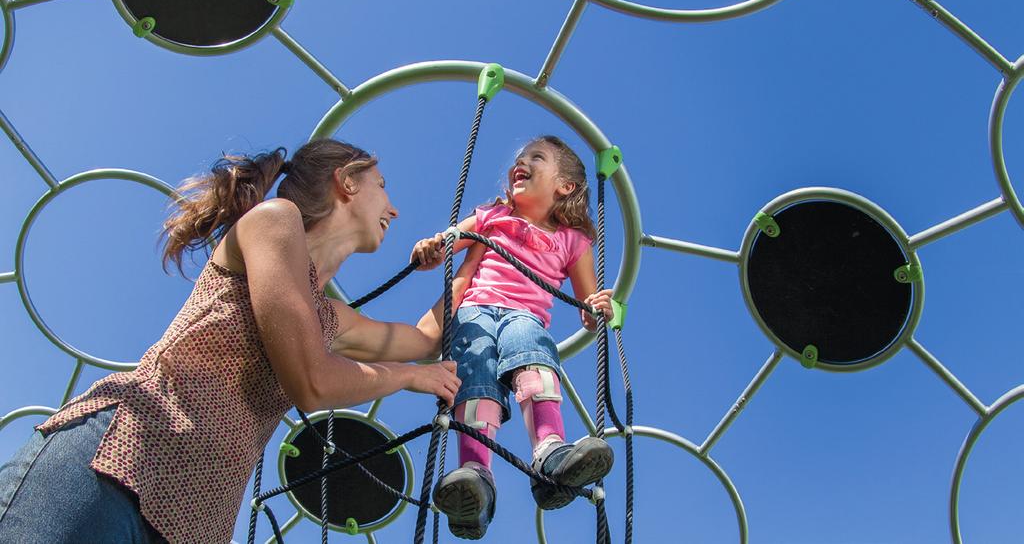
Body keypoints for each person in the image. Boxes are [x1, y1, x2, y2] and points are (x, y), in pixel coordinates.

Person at [0, 139, 459, 544]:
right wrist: (408, 379)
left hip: (195, 521)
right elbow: (312, 381)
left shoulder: (330, 316)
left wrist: (478, 242)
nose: (394, 208)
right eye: (383, 185)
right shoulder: (276, 222)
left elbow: (424, 340)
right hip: (120, 464)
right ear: (347, 183)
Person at [410, 135, 615, 539]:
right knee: (475, 374)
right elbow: (449, 244)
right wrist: (432, 248)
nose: (520, 163)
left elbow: (588, 303)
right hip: (475, 310)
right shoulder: (492, 216)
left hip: (525, 315)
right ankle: (476, 476)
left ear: (565, 186)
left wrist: (599, 309)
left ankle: (550, 454)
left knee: (532, 348)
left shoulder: (573, 241)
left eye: (536, 158)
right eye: (519, 158)